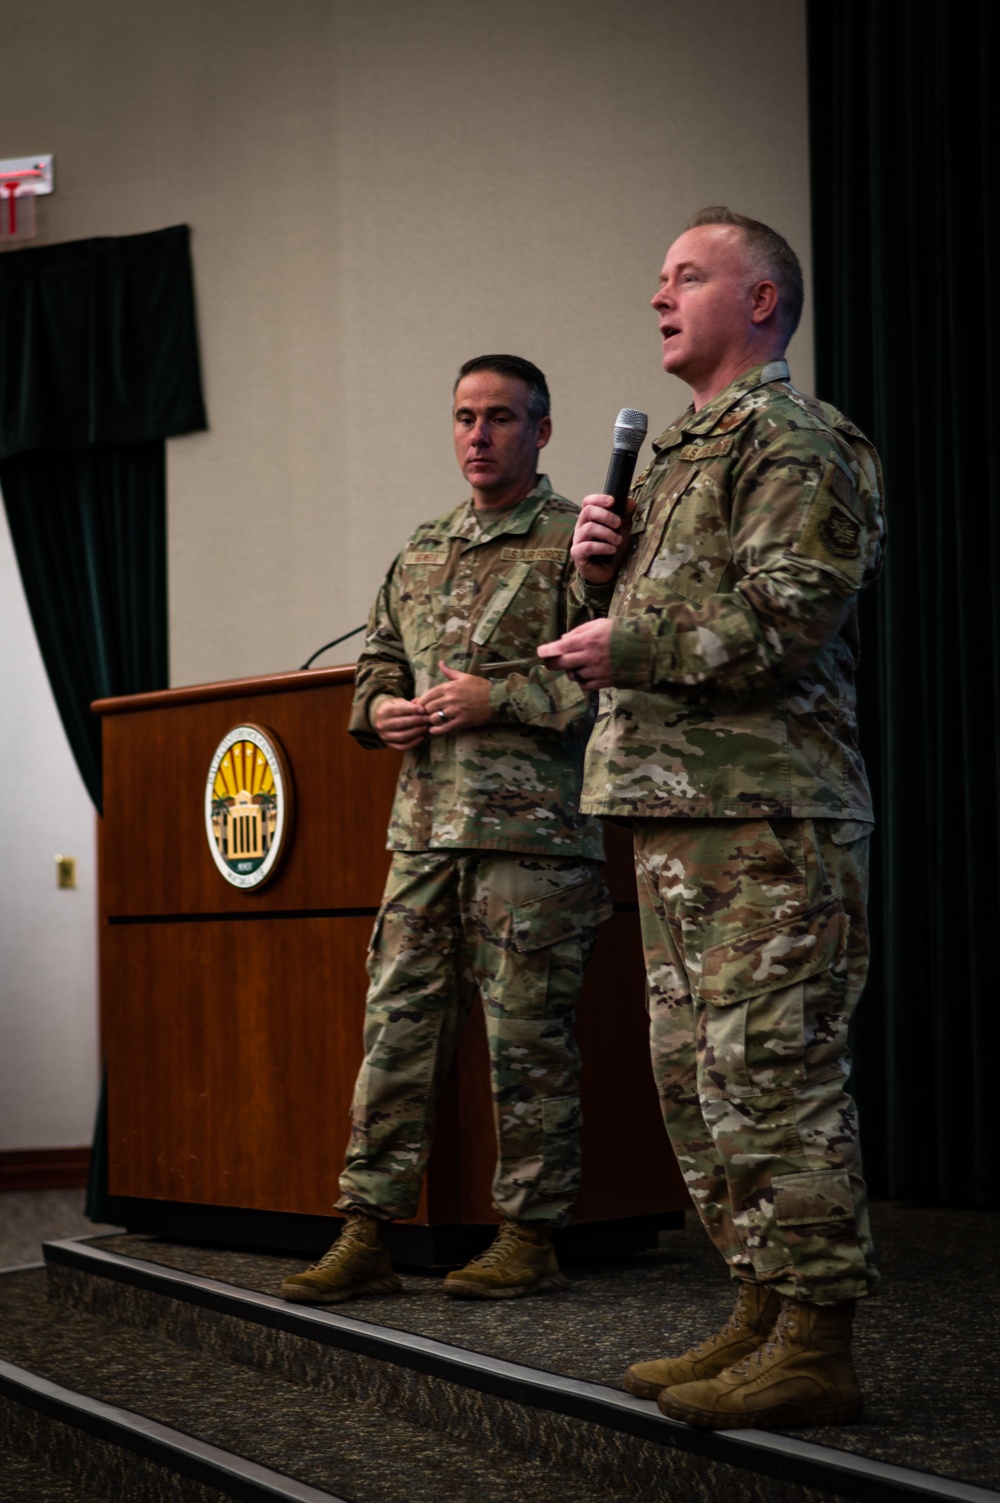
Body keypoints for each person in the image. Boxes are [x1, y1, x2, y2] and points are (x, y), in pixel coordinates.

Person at [539, 209, 885, 1429]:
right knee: (699, 1084)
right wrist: (601, 574)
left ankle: (819, 1337)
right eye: (656, 278)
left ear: (759, 303)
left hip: (767, 815)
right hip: (680, 816)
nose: (657, 297)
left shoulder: (794, 438)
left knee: (774, 1074)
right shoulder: (683, 454)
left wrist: (624, 633)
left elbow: (793, 616)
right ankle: (759, 1305)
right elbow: (683, 614)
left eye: (685, 275)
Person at [280, 354, 610, 1306]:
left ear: (540, 431)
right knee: (398, 1031)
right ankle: (367, 1228)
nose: (478, 434)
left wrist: (494, 695)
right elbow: (378, 657)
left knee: (526, 1042)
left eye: (500, 417)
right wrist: (378, 708)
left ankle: (530, 1234)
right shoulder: (422, 548)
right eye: (465, 416)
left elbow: (609, 681)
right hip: (423, 832)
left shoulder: (579, 548)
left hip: (533, 841)